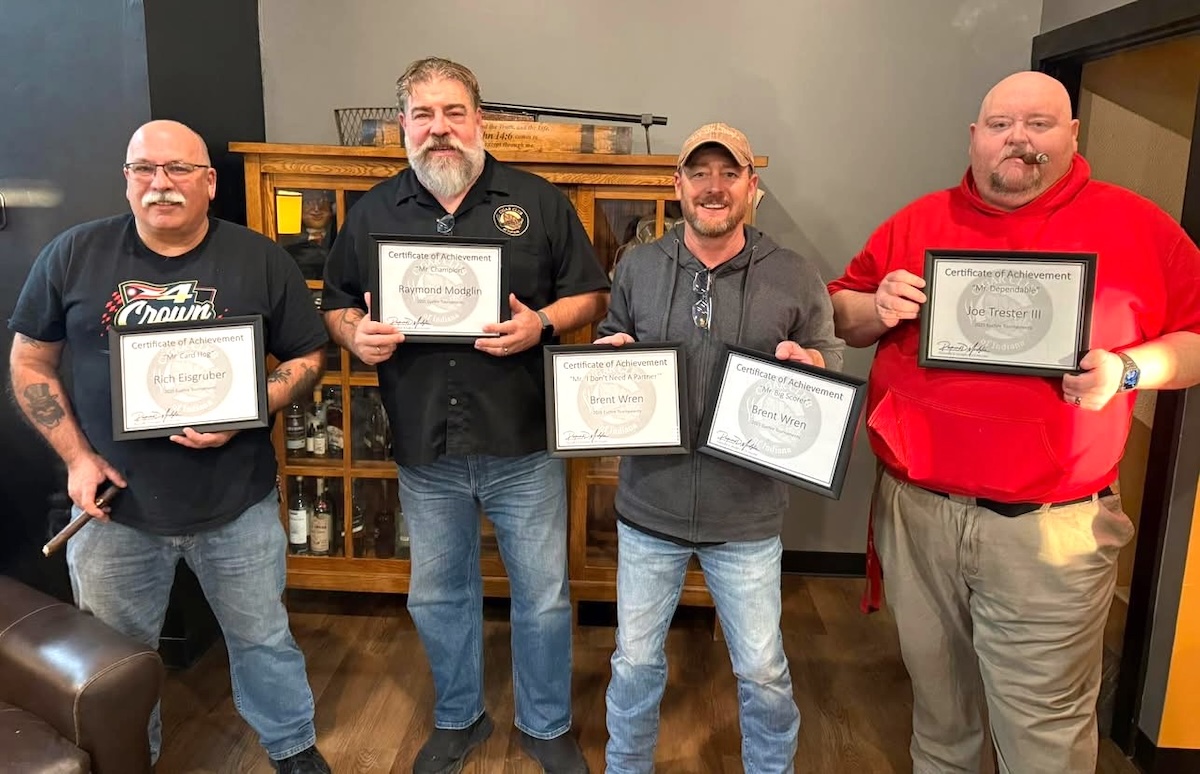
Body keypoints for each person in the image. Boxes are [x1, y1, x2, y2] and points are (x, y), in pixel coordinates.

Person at [827, 71, 1200, 774]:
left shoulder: (1138, 225)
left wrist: (1129, 370)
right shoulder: (917, 221)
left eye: (1039, 123)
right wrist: (875, 306)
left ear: (1072, 135)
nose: (1019, 139)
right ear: (975, 138)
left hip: (1048, 533)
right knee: (941, 720)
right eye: (1001, 124)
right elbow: (837, 310)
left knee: (1044, 737)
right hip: (917, 515)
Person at [7, 120, 333, 774]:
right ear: (126, 181)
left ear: (209, 183)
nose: (161, 183)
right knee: (117, 662)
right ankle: (132, 759)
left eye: (179, 169)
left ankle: (292, 748)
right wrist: (75, 457)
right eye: (144, 169)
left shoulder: (259, 257)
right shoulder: (74, 254)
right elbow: (30, 362)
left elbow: (308, 356)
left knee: (264, 640)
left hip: (236, 504)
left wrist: (249, 409)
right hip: (113, 510)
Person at [320, 57, 609, 774]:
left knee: (541, 596)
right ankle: (459, 716)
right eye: (424, 115)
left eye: (454, 113)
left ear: (478, 122)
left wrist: (541, 322)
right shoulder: (373, 212)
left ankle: (544, 725)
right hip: (425, 444)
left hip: (523, 441)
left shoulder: (537, 202)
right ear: (402, 127)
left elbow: (591, 296)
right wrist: (355, 333)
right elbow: (336, 300)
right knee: (440, 594)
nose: (439, 129)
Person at [595, 122, 844, 774]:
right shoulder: (639, 267)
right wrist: (608, 358)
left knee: (762, 670)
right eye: (699, 172)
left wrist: (814, 364)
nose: (713, 186)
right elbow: (613, 334)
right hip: (650, 507)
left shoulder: (793, 275)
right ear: (677, 186)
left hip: (748, 515)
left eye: (728, 173)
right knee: (635, 659)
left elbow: (831, 355)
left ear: (751, 187)